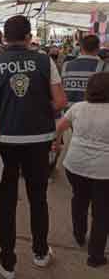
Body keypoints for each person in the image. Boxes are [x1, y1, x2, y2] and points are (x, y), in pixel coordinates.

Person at [0, 15, 67, 278]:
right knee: (38, 197)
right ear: (29, 37)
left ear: (4, 38)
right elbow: (61, 100)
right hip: (39, 140)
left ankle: (7, 262)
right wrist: (39, 111)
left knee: (6, 201)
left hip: (4, 142)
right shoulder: (45, 61)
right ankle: (40, 253)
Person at [53, 72, 109, 268]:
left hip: (75, 166)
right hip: (104, 172)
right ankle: (95, 256)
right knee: (102, 212)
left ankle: (79, 235)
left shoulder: (78, 108)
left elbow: (59, 127)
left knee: (79, 199)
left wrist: (55, 143)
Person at [62, 35, 107, 109]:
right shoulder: (104, 66)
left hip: (69, 114)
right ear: (98, 48)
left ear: (81, 48)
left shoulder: (66, 65)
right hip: (92, 113)